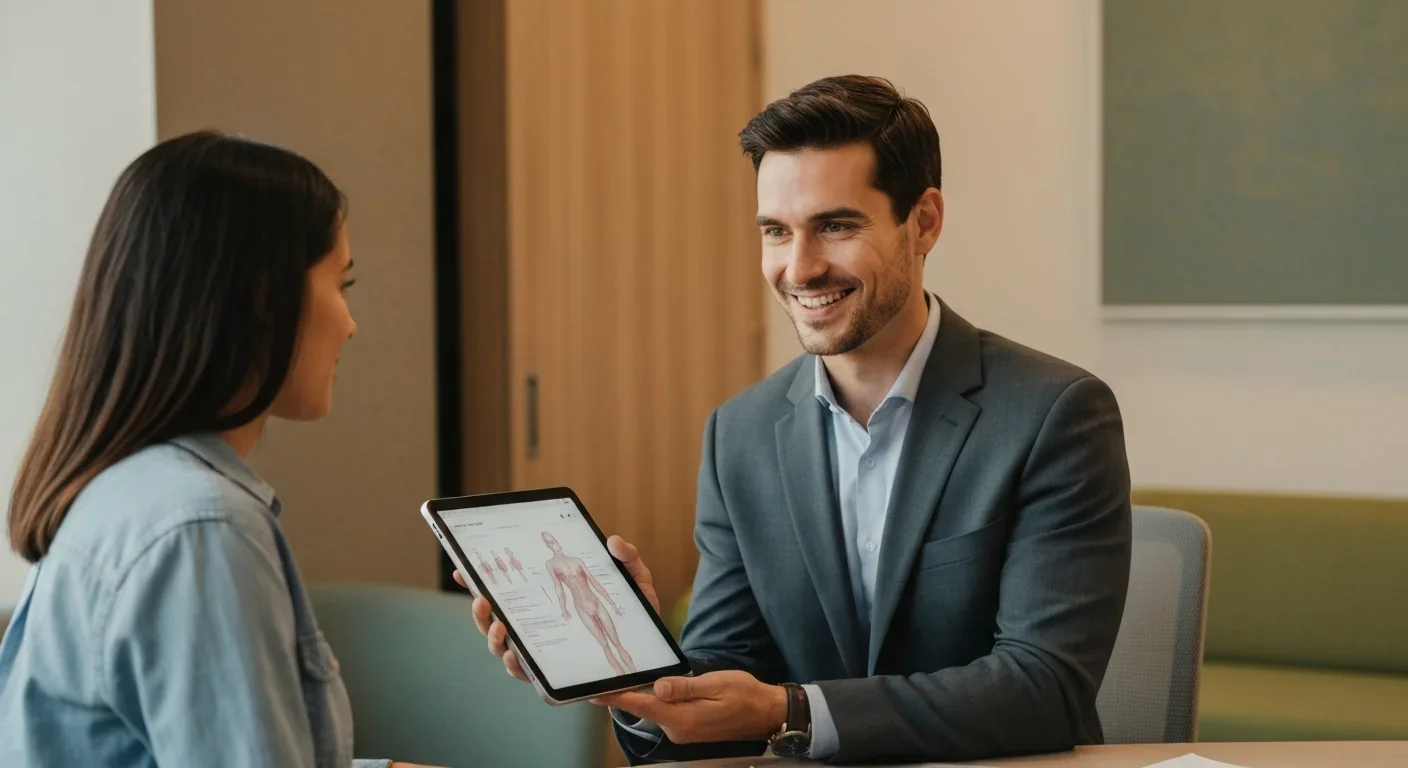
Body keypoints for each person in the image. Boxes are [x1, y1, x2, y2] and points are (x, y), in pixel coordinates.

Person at [464, 74, 1133, 765]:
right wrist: (635, 669)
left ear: (925, 221)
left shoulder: (1053, 414)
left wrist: (794, 712)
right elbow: (725, 680)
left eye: (836, 226)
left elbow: (1043, 689)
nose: (799, 267)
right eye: (776, 232)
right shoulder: (741, 434)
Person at [0, 131, 438, 768]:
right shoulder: (201, 529)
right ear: (263, 298)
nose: (350, 323)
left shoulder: (129, 489)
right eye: (341, 286)